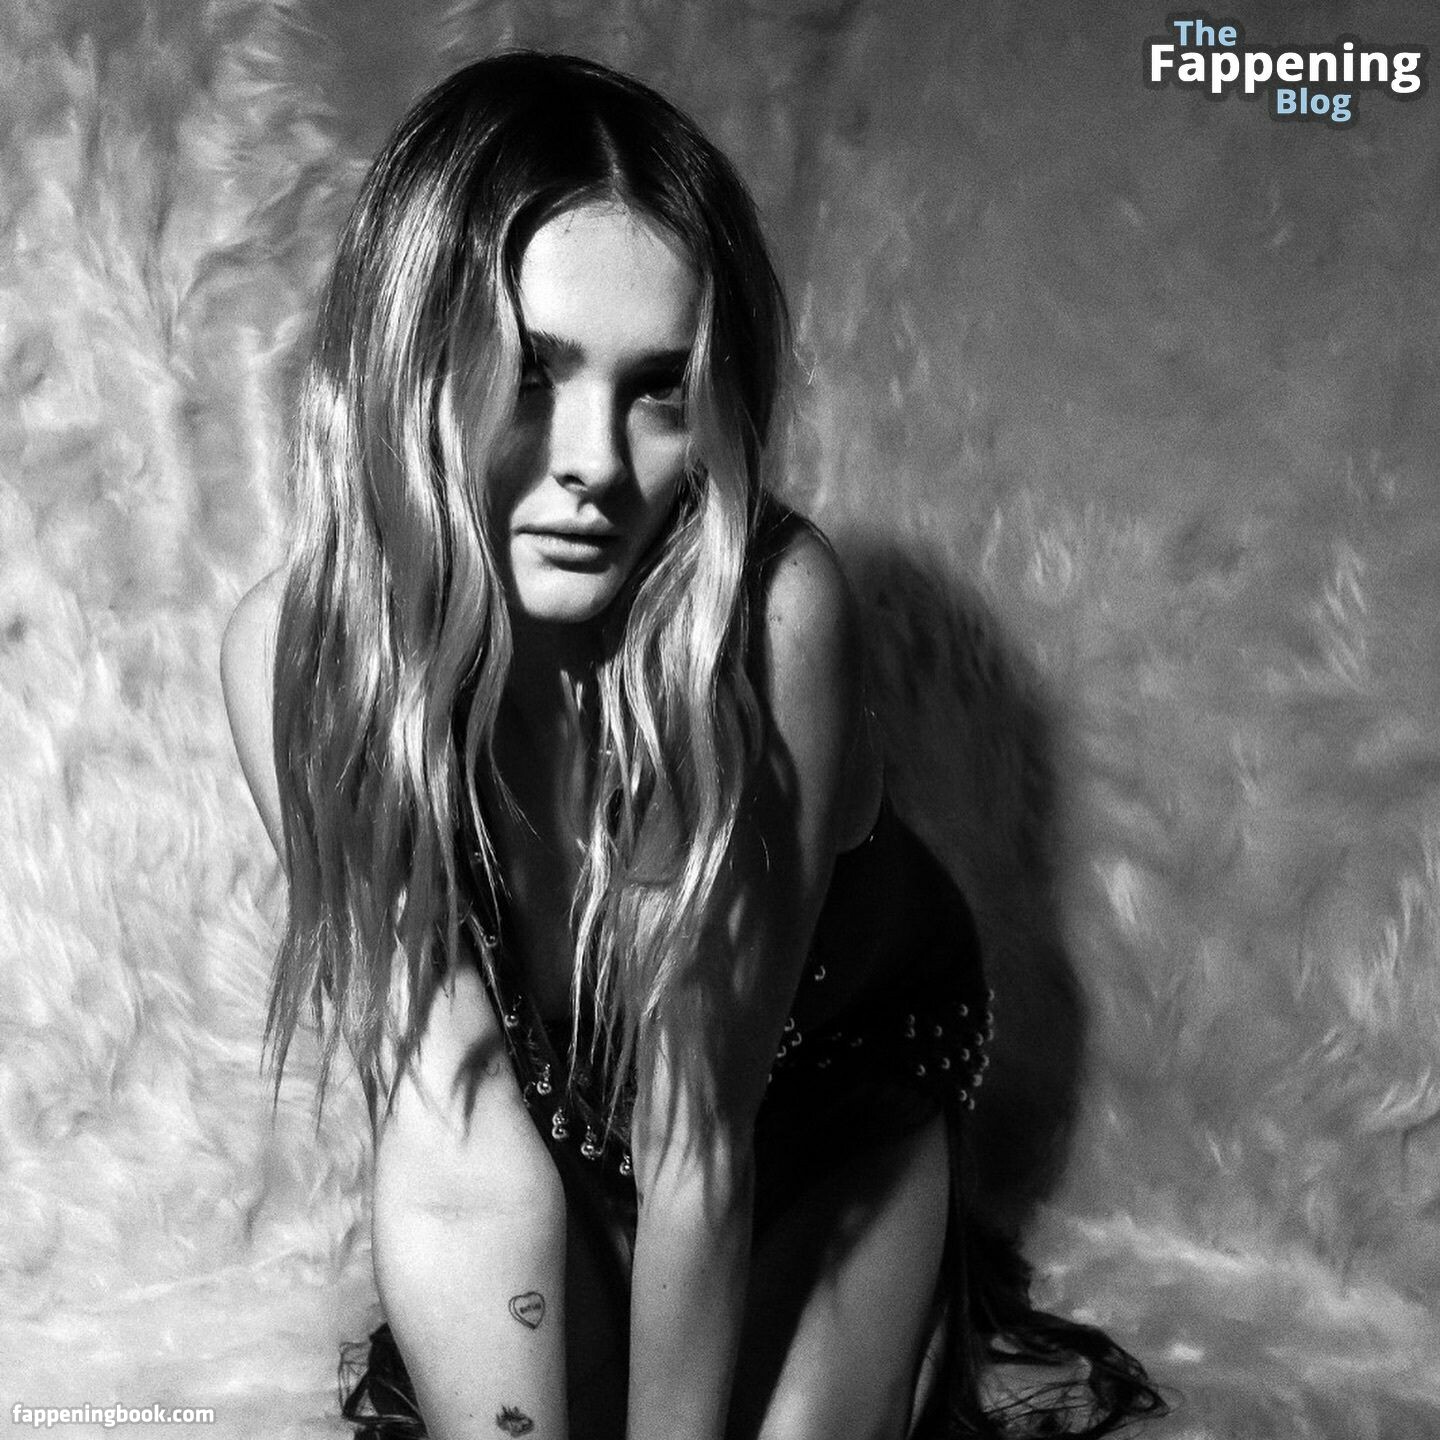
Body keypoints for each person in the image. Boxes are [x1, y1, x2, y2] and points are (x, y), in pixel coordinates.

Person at [221, 51, 1164, 1440]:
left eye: (660, 389)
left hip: (822, 1116)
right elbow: (451, 1144)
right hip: (576, 1140)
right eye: (528, 374)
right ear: (405, 365)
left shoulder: (774, 618)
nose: (598, 463)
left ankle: (916, 1296)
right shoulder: (302, 659)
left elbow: (700, 1148)